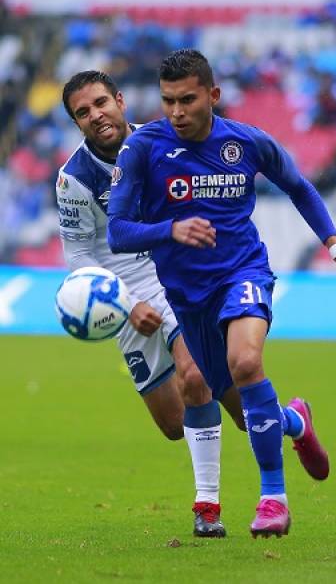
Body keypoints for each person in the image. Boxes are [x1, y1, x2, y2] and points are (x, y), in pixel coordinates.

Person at [107, 49, 336, 539]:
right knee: (251, 417)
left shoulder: (247, 143)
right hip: (187, 298)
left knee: (247, 364)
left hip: (243, 271)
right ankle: (295, 421)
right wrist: (171, 230)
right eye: (168, 101)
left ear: (213, 95)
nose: (177, 112)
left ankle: (273, 499)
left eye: (187, 100)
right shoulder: (143, 148)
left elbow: (299, 187)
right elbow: (118, 231)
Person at [57, 70, 248, 538]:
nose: (95, 115)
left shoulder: (163, 142)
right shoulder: (72, 180)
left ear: (120, 102)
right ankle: (286, 417)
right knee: (174, 422)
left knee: (200, 378)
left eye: (101, 103)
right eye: (83, 112)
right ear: (77, 123)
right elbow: (80, 256)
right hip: (123, 293)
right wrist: (122, 304)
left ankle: (207, 508)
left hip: (173, 275)